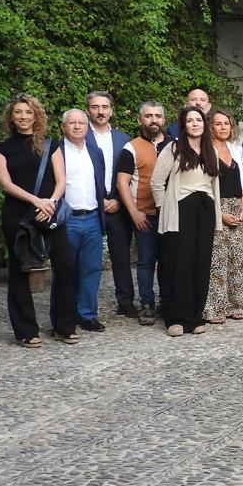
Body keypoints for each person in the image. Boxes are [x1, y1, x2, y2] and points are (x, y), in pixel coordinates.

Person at [0, 94, 81, 346]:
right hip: (18, 215)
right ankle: (25, 331)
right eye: (18, 112)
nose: (23, 117)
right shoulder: (2, 148)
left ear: (36, 116)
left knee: (65, 266)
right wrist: (36, 201)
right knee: (20, 272)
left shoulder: (50, 145)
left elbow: (61, 180)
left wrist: (50, 202)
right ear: (11, 117)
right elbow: (6, 184)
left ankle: (65, 326)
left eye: (28, 112)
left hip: (51, 213)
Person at [150, 106, 222, 336]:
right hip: (181, 208)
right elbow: (156, 182)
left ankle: (195, 316)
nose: (194, 124)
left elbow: (215, 187)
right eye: (190, 120)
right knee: (179, 263)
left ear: (204, 123)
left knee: (201, 263)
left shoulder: (211, 150)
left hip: (205, 208)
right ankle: (175, 318)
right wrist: (165, 209)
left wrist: (217, 218)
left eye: (198, 120)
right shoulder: (173, 148)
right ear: (184, 125)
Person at [116, 102, 173, 326]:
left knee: (169, 261)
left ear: (164, 120)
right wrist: (134, 213)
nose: (154, 120)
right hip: (145, 215)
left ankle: (167, 302)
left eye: (158, 115)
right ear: (140, 120)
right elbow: (122, 183)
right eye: (148, 116)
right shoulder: (131, 148)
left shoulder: (175, 145)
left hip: (170, 214)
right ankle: (147, 305)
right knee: (147, 261)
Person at [85, 91, 137, 317]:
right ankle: (85, 306)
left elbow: (130, 174)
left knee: (121, 257)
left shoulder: (124, 139)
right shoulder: (79, 135)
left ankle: (125, 302)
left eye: (105, 107)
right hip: (90, 204)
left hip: (117, 204)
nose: (100, 111)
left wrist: (118, 199)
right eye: (95, 107)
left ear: (111, 110)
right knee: (87, 259)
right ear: (88, 110)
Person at [55, 109, 107, 334]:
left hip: (93, 217)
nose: (77, 127)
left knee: (91, 268)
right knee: (65, 271)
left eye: (81, 123)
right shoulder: (56, 151)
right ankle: (62, 318)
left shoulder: (95, 151)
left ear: (87, 127)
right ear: (63, 126)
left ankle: (87, 315)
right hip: (68, 218)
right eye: (72, 123)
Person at [203, 108, 243, 324]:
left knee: (238, 260)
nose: (223, 127)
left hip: (237, 207)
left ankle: (237, 304)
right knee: (217, 262)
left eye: (226, 123)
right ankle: (214, 308)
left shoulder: (235, 149)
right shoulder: (204, 151)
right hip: (214, 208)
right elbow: (203, 187)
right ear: (210, 126)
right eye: (218, 123)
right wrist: (219, 215)